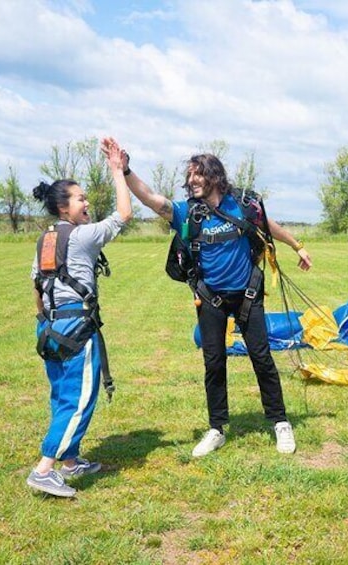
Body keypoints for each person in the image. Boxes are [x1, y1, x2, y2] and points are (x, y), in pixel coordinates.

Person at [104, 137, 312, 457]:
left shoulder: (241, 205)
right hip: (210, 298)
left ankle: (280, 422)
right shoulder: (188, 213)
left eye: (198, 174)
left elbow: (270, 227)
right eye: (189, 176)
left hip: (247, 295)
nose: (191, 180)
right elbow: (150, 199)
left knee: (262, 358)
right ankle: (216, 428)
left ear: (214, 175)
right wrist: (126, 169)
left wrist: (298, 246)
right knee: (213, 363)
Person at [26, 139, 133, 497]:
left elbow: (37, 287)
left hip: (51, 328)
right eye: (81, 199)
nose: (87, 203)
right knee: (79, 399)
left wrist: (46, 321)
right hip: (76, 329)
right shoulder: (84, 237)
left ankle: (71, 462)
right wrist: (118, 171)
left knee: (61, 396)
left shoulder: (45, 239)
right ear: (63, 206)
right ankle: (44, 469)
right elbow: (123, 215)